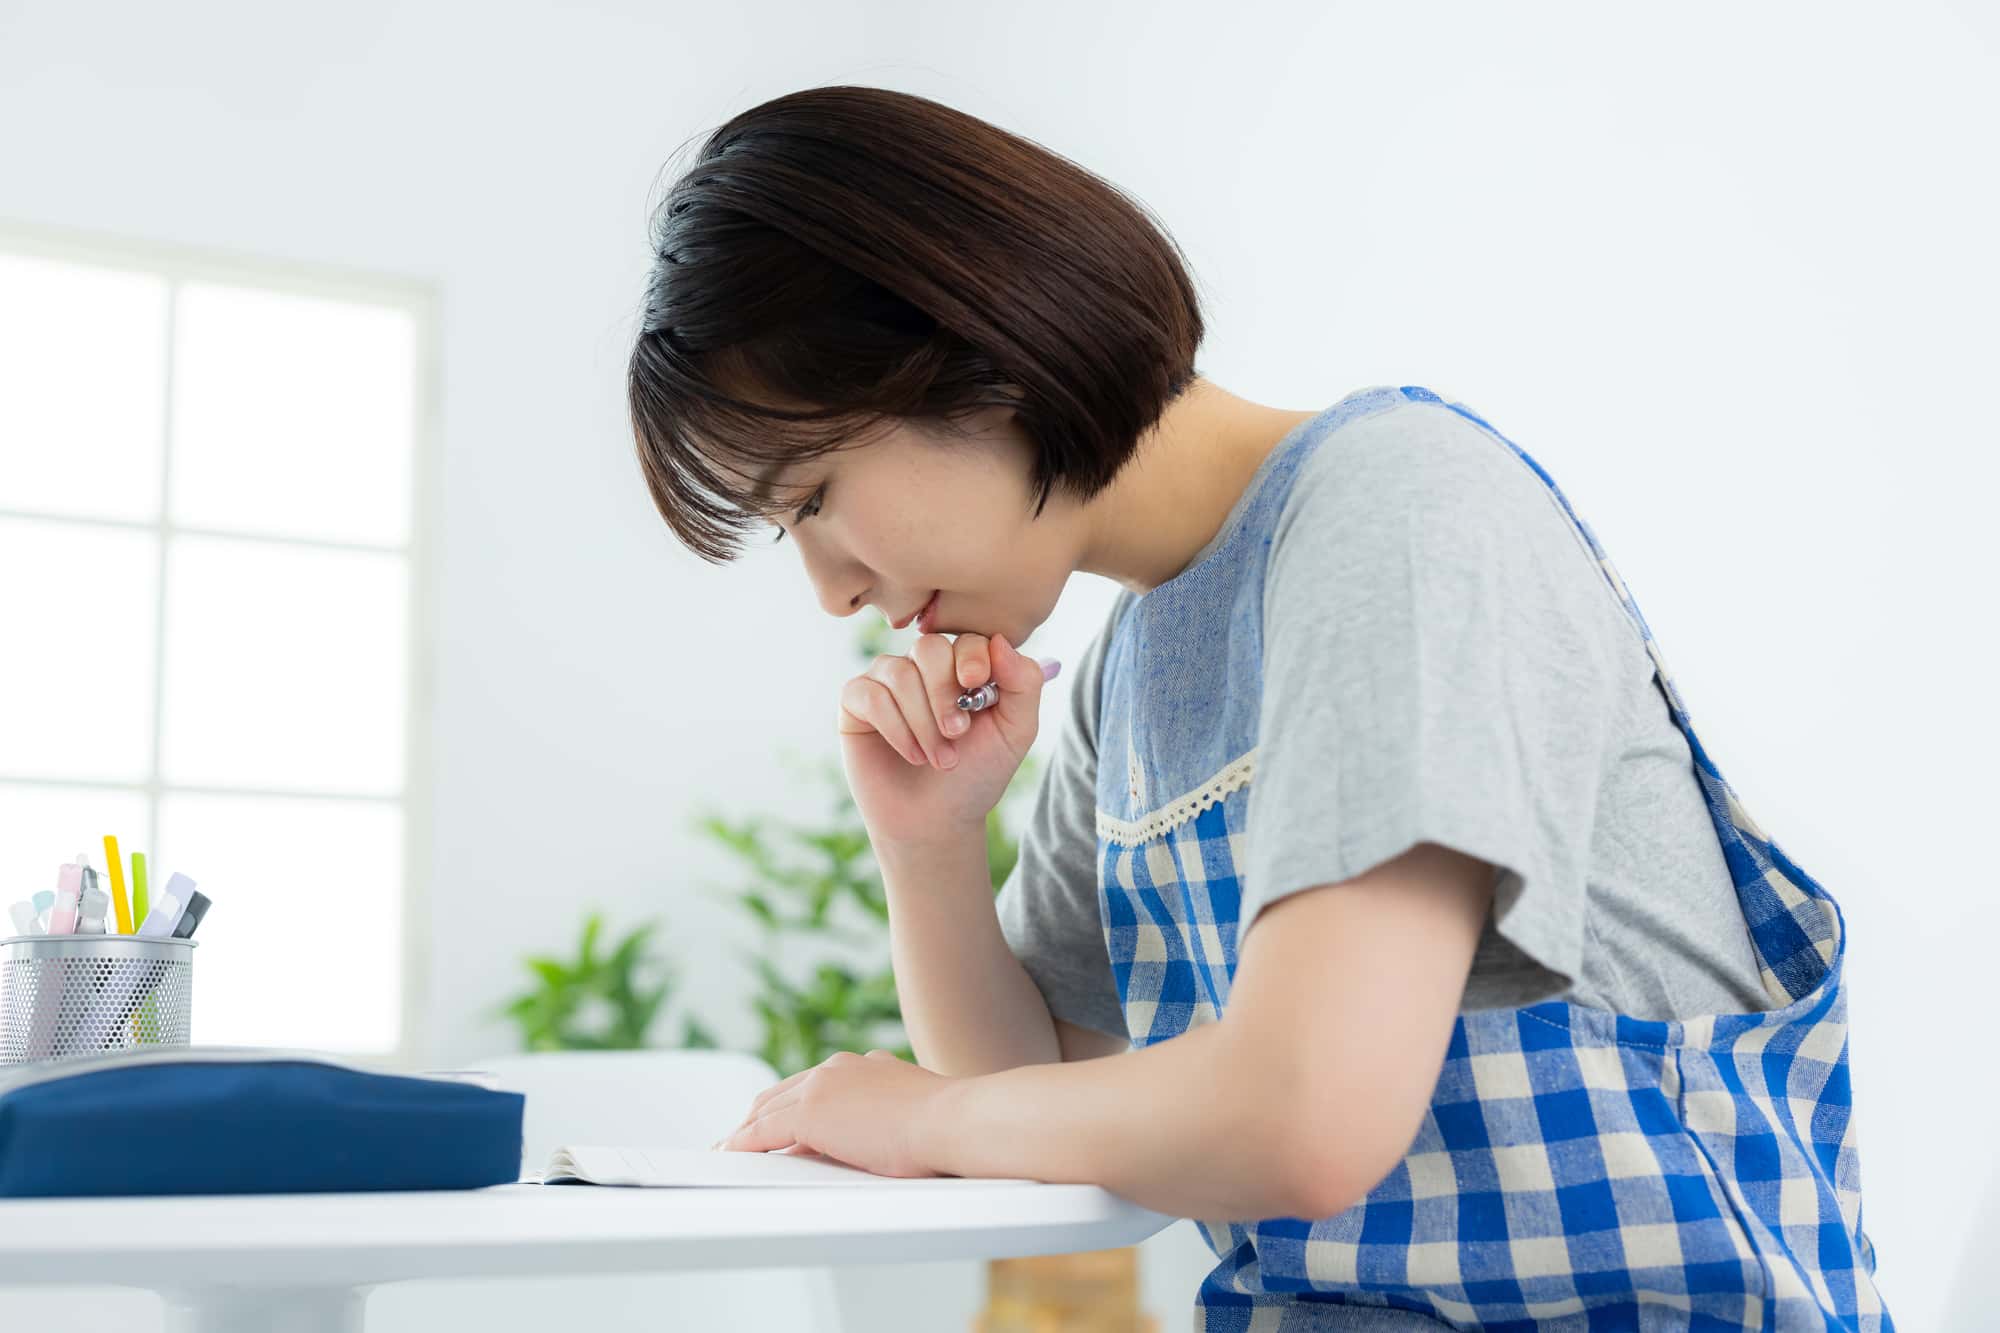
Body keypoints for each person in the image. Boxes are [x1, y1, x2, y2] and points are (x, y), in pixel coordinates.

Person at [628, 84, 1893, 1329]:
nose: (830, 586)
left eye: (809, 498)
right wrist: (928, 846)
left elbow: (1307, 1113)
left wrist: (918, 1116)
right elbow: (1027, 1103)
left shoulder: (1397, 512)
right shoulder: (1135, 660)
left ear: (976, 363)